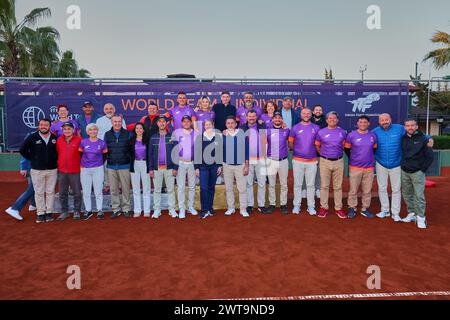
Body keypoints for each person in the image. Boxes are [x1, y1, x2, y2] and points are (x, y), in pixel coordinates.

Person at [372, 113, 433, 221]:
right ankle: (385, 210)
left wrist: (429, 137)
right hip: (381, 163)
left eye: (387, 119)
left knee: (396, 189)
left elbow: (415, 133)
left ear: (391, 119)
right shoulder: (375, 131)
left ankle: (395, 213)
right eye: (382, 120)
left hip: (396, 164)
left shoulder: (400, 128)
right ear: (379, 121)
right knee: (382, 188)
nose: (385, 121)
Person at [19, 118, 58, 223]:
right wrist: (33, 158)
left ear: (50, 126)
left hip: (52, 170)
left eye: (46, 125)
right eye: (41, 125)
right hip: (37, 170)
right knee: (39, 192)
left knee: (50, 192)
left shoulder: (55, 138)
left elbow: (58, 152)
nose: (43, 126)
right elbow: (22, 150)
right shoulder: (32, 137)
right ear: (38, 126)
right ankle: (40, 213)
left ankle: (49, 212)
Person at [400, 119, 434, 229]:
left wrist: (422, 170)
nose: (410, 127)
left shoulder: (424, 139)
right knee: (406, 194)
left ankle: (421, 217)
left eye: (412, 125)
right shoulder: (403, 138)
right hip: (405, 171)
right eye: (407, 125)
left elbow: (430, 157)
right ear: (405, 127)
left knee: (419, 195)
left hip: (418, 172)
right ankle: (411, 213)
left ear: (417, 126)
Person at [315, 111, 347, 219]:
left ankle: (338, 208)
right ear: (327, 120)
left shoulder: (342, 132)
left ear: (337, 120)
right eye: (330, 118)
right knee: (324, 186)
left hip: (338, 161)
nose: (332, 120)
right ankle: (324, 207)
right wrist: (325, 155)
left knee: (338, 186)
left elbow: (343, 146)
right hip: (324, 161)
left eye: (334, 118)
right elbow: (318, 146)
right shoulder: (321, 132)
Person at [344, 115, 378, 219]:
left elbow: (374, 149)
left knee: (367, 190)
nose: (363, 124)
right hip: (355, 167)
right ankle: (352, 208)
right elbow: (346, 149)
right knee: (353, 190)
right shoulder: (351, 135)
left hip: (369, 167)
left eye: (365, 122)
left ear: (368, 124)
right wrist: (354, 158)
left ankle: (365, 209)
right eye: (361, 122)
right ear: (357, 123)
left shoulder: (373, 135)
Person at [289, 108, 320, 215]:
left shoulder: (316, 128)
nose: (306, 115)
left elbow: (318, 144)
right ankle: (296, 205)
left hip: (312, 161)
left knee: (311, 185)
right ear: (301, 115)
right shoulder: (295, 128)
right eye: (304, 113)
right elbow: (291, 143)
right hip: (298, 160)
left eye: (308, 113)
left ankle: (311, 206)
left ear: (311, 115)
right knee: (297, 184)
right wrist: (299, 152)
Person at [148, 115, 178, 219]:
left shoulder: (172, 136)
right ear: (157, 124)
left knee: (171, 189)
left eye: (163, 121)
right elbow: (150, 154)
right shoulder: (153, 137)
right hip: (157, 169)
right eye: (159, 121)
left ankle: (172, 209)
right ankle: (157, 210)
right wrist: (150, 169)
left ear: (166, 123)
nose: (161, 123)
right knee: (157, 190)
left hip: (169, 168)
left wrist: (175, 167)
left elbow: (176, 153)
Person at [104, 114, 132, 218]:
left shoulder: (128, 134)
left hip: (124, 165)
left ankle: (126, 208)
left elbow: (131, 150)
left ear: (122, 122)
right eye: (115, 121)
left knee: (125, 189)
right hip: (111, 166)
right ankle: (116, 209)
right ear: (112, 122)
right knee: (113, 189)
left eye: (119, 121)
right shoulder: (107, 135)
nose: (117, 123)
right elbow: (105, 150)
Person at [194, 119, 223, 218]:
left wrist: (219, 165)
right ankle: (204, 210)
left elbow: (220, 152)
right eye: (206, 125)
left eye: (210, 124)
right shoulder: (200, 137)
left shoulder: (218, 137)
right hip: (203, 167)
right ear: (204, 126)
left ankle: (210, 208)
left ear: (213, 125)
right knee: (203, 188)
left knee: (211, 187)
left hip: (214, 166)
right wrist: (196, 168)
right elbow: (197, 153)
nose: (208, 126)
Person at [172, 115, 199, 218]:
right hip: (181, 163)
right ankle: (182, 209)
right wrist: (175, 166)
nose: (186, 123)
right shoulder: (176, 133)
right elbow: (174, 150)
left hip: (192, 163)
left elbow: (198, 151)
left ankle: (190, 207)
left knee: (192, 186)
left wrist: (197, 166)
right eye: (184, 121)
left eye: (188, 121)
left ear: (191, 123)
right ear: (182, 123)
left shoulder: (196, 134)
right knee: (181, 187)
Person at [79, 123, 108, 220]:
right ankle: (88, 210)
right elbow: (80, 155)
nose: (93, 131)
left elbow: (104, 156)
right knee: (86, 191)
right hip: (85, 169)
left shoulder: (102, 143)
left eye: (95, 129)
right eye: (90, 130)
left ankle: (100, 210)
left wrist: (97, 163)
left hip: (98, 169)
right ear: (87, 132)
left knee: (98, 190)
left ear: (97, 131)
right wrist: (85, 164)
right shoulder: (83, 142)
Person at [222, 116, 249, 217]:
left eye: (232, 123)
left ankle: (243, 209)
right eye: (228, 123)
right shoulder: (222, 135)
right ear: (225, 125)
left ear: (236, 124)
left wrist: (246, 165)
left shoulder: (242, 134)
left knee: (242, 188)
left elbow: (246, 150)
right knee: (228, 188)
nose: (230, 125)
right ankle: (231, 208)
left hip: (240, 165)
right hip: (227, 165)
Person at [241, 109, 267, 213]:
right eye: (249, 116)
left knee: (261, 183)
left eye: (253, 116)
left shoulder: (262, 126)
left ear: (256, 117)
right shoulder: (242, 128)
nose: (251, 118)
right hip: (248, 159)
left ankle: (261, 205)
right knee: (248, 183)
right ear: (246, 117)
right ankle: (250, 205)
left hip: (261, 159)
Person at [56, 122, 83, 221]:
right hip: (62, 170)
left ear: (73, 130)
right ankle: (64, 211)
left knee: (77, 192)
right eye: (65, 129)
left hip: (75, 170)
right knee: (62, 192)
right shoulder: (59, 140)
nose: (67, 131)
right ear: (62, 130)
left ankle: (77, 211)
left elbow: (82, 154)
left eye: (69, 129)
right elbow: (58, 153)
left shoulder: (79, 140)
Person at [265, 111, 290, 214]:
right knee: (271, 184)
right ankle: (272, 204)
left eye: (279, 118)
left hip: (283, 160)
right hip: (271, 160)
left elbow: (291, 142)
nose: (277, 119)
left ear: (282, 120)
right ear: (272, 120)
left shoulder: (287, 130)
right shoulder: (267, 131)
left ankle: (283, 204)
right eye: (275, 118)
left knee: (284, 184)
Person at [4, 155, 36, 221]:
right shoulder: (29, 144)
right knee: (32, 188)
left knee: (33, 188)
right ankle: (15, 208)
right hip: (31, 168)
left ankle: (33, 204)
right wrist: (23, 167)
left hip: (32, 167)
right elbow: (24, 153)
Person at [129, 122, 151, 218]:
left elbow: (150, 154)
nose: (139, 130)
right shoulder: (131, 141)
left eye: (140, 128)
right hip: (135, 164)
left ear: (143, 130)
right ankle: (137, 210)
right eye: (137, 128)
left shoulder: (147, 140)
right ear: (135, 130)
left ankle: (146, 210)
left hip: (145, 164)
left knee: (146, 188)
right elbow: (129, 154)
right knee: (136, 188)